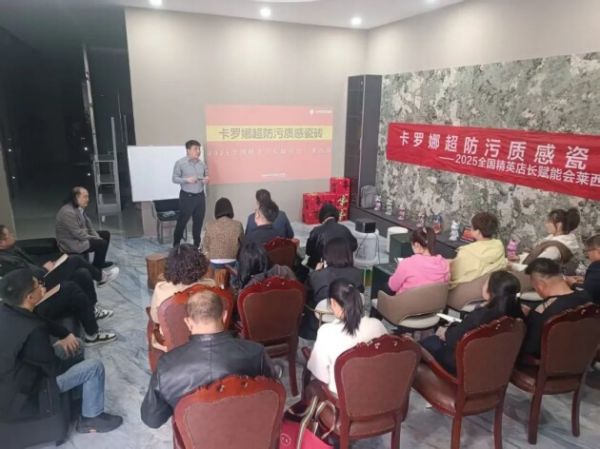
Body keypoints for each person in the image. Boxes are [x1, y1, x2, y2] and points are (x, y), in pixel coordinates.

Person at [0, 269, 122, 432]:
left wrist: (66, 335)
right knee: (94, 367)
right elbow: (52, 369)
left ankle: (78, 400)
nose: (43, 288)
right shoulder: (34, 332)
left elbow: (40, 321)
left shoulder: (8, 309)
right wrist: (61, 348)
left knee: (75, 344)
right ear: (29, 297)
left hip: (13, 382)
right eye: (38, 286)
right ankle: (91, 419)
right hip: (28, 396)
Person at [140, 290, 276, 428]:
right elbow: (274, 394)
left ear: (188, 322)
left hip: (195, 435)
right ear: (224, 316)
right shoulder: (256, 352)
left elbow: (152, 420)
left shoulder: (166, 366)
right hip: (246, 428)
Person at [421, 270, 524, 374]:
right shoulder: (517, 316)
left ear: (491, 292)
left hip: (462, 366)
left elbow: (453, 339)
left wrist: (446, 333)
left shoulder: (480, 316)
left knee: (427, 343)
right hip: (491, 365)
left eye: (486, 283)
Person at [0, 224, 119, 303]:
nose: (12, 235)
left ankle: (93, 307)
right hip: (39, 285)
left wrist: (46, 266)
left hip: (42, 275)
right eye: (9, 234)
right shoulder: (6, 261)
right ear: (1, 243)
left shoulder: (12, 249)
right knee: (75, 259)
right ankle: (101, 277)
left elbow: (30, 263)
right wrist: (45, 269)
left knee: (82, 272)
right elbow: (26, 276)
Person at [307, 279, 388, 394]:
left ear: (333, 303)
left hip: (343, 399)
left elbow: (320, 374)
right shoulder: (377, 325)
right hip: (375, 392)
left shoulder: (327, 332)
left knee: (311, 387)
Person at [522, 258, 592, 357]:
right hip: (584, 358)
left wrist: (529, 318)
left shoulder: (542, 312)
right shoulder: (586, 296)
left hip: (550, 363)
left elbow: (531, 349)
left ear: (541, 285)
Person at [150, 244, 216, 325]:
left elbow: (156, 318)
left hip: (173, 332)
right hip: (204, 330)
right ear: (200, 264)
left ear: (170, 266)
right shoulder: (211, 285)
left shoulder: (161, 289)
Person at [55, 186, 114, 269]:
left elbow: (89, 226)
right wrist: (96, 239)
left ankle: (99, 262)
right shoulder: (68, 212)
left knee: (105, 234)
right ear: (76, 197)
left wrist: (96, 236)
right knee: (102, 243)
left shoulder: (78, 208)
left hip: (78, 237)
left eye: (88, 197)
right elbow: (78, 235)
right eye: (85, 197)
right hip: (71, 243)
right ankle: (97, 267)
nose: (88, 199)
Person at [450, 212, 506, 287]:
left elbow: (455, 276)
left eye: (472, 227)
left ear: (478, 232)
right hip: (490, 286)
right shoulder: (499, 245)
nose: (470, 229)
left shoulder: (466, 252)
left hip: (465, 288)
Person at [387, 227, 450, 294]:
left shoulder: (407, 263)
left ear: (417, 245)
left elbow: (392, 286)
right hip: (433, 300)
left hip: (406, 300)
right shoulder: (444, 264)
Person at [172, 139, 209, 248]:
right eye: (195, 149)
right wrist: (186, 180)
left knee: (198, 222)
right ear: (188, 150)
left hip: (200, 197)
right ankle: (176, 245)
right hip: (187, 197)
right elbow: (174, 178)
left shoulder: (202, 164)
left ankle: (196, 246)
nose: (198, 151)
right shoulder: (180, 163)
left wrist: (206, 180)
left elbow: (206, 176)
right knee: (182, 222)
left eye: (199, 149)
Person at [306, 202, 358, 269]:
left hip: (322, 268)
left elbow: (308, 252)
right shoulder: (345, 229)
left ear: (321, 216)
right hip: (344, 266)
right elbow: (354, 245)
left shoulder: (316, 231)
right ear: (337, 215)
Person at [202, 198, 244, 269]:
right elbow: (243, 243)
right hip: (232, 261)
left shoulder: (209, 225)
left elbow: (205, 246)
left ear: (216, 210)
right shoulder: (238, 224)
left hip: (214, 262)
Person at [566, 234, 600, 303]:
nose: (587, 254)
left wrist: (573, 284)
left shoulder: (596, 265)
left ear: (598, 250)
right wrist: (586, 279)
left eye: (588, 250)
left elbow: (587, 293)